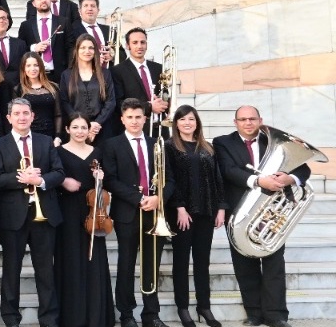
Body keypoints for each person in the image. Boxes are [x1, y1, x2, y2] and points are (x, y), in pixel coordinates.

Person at [213, 105, 306, 327]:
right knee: (244, 264)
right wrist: (258, 181)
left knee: (274, 263)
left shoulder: (276, 142)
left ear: (260, 120)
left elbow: (304, 170)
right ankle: (254, 313)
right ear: (235, 122)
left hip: (271, 213)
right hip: (239, 210)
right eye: (243, 119)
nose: (248, 123)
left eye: (252, 119)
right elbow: (228, 170)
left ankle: (276, 315)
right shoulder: (223, 142)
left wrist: (289, 178)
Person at [0, 97, 64, 327]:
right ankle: (11, 319)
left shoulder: (46, 141)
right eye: (17, 114)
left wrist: (39, 180)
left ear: (33, 116)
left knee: (46, 273)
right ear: (9, 118)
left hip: (44, 215)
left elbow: (59, 173)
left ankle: (49, 320)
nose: (22, 117)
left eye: (26, 113)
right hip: (13, 217)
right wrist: (22, 178)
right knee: (11, 271)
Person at [102, 98, 167, 327]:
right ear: (122, 119)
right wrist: (139, 198)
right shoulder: (111, 145)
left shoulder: (158, 143)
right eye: (129, 117)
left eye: (138, 116)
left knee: (152, 264)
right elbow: (110, 180)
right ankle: (126, 314)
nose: (134, 121)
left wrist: (159, 197)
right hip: (127, 212)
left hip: (155, 211)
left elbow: (170, 179)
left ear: (145, 118)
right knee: (126, 264)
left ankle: (151, 315)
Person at [166, 105, 225, 327]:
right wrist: (179, 207)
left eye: (191, 119)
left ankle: (204, 307)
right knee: (181, 262)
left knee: (202, 262)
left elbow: (218, 179)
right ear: (176, 124)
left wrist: (221, 207)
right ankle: (183, 308)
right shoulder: (170, 147)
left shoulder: (208, 148)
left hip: (206, 213)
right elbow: (168, 179)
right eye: (182, 120)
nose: (187, 123)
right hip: (182, 214)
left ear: (197, 122)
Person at [55, 113, 115, 327]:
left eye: (83, 127)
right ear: (68, 130)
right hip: (68, 211)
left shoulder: (97, 152)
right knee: (70, 260)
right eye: (75, 127)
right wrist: (63, 181)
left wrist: (101, 177)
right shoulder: (59, 152)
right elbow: (53, 175)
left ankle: (95, 316)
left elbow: (107, 180)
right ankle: (73, 317)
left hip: (93, 213)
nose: (80, 131)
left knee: (94, 261)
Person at [109, 28, 168, 139]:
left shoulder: (158, 68)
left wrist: (166, 105)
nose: (139, 46)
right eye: (135, 43)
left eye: (143, 42)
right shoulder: (117, 71)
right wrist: (149, 106)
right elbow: (119, 103)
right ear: (127, 46)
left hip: (160, 129)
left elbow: (165, 94)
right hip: (134, 130)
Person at [60, 34, 117, 142]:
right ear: (76, 50)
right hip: (77, 130)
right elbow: (64, 102)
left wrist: (96, 123)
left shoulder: (105, 73)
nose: (87, 51)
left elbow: (111, 101)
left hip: (101, 128)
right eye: (83, 47)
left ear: (95, 51)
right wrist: (81, 124)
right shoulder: (66, 75)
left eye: (91, 48)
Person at [19, 0, 71, 83]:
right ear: (34, 3)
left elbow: (71, 47)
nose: (43, 0)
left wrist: (69, 70)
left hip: (60, 75)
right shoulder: (26, 25)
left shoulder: (63, 22)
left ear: (50, 0)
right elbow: (20, 49)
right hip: (35, 76)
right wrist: (34, 48)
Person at [14, 53, 60, 141]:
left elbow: (58, 114)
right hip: (28, 136)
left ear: (41, 67)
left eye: (36, 65)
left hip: (51, 136)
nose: (33, 69)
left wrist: (58, 136)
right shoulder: (18, 90)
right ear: (23, 68)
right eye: (28, 66)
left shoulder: (53, 88)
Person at [66, 0, 111, 66]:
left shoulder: (108, 30)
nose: (89, 9)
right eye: (85, 6)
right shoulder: (71, 30)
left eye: (93, 6)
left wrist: (112, 55)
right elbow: (70, 55)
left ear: (98, 10)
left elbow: (122, 54)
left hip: (109, 74)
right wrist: (93, 59)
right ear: (80, 11)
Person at [0, 5, 29, 79]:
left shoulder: (20, 44)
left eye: (4, 18)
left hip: (17, 87)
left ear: (8, 21)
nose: (1, 21)